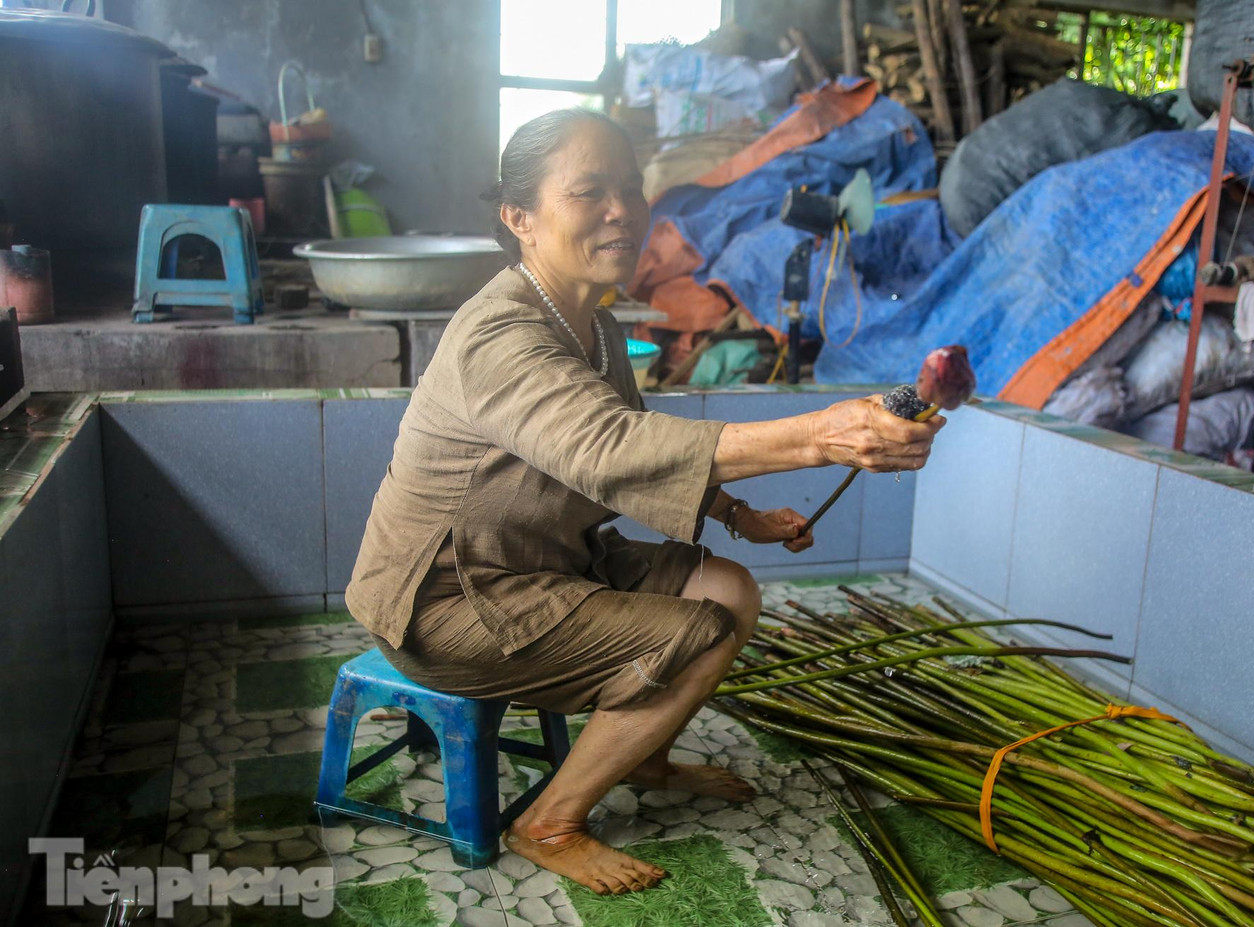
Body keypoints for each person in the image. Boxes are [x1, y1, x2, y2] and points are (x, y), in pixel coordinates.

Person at [345, 109, 944, 896]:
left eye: (630, 189)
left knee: (728, 586)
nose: (624, 209)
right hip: (451, 596)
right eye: (590, 192)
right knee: (699, 632)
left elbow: (632, 437)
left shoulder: (587, 321)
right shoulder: (500, 333)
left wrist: (737, 515)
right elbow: (608, 449)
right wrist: (823, 434)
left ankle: (644, 751)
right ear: (519, 218)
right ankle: (549, 822)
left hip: (543, 561)